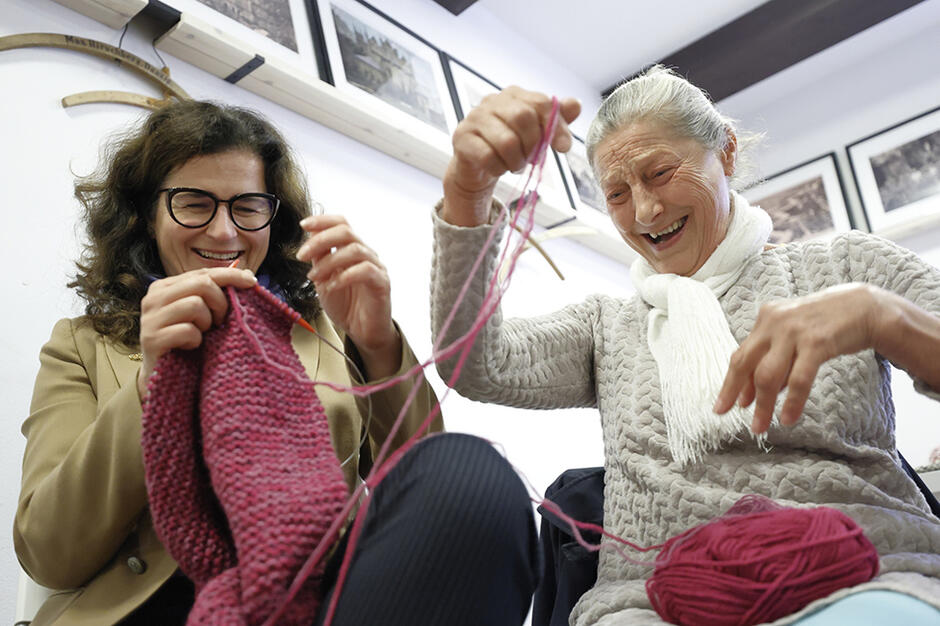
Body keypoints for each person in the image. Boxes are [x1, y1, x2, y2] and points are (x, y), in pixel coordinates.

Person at [432, 66, 940, 625]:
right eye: (619, 194)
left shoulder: (845, 269)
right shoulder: (608, 327)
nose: (646, 211)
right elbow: (475, 363)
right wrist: (467, 191)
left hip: (872, 572)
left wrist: (882, 318)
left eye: (661, 172)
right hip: (652, 603)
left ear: (724, 153)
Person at [16, 100, 537, 625]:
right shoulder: (84, 345)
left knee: (479, 477)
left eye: (247, 207)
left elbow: (436, 504)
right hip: (148, 611)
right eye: (194, 203)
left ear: (273, 216)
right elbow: (48, 553)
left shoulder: (320, 332)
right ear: (147, 217)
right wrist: (150, 386)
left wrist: (376, 343)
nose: (224, 233)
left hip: (319, 600)